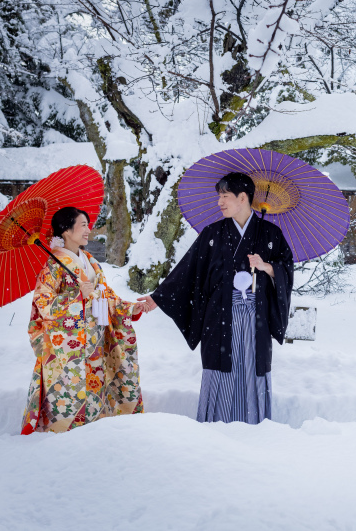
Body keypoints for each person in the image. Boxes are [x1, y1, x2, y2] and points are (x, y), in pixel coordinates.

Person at [138, 172, 294, 424]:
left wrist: (266, 266)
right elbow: (187, 270)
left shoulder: (271, 234)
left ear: (243, 198)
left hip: (257, 319)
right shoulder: (212, 233)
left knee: (252, 368)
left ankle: (255, 426)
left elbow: (286, 269)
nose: (219, 202)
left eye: (225, 196)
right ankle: (216, 426)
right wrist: (158, 298)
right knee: (222, 369)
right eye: (218, 197)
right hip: (220, 318)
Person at [20, 207, 147, 434]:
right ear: (66, 231)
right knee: (69, 394)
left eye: (88, 225)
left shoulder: (89, 260)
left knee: (95, 390)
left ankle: (94, 438)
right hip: (67, 348)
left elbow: (106, 296)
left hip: (94, 340)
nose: (89, 230)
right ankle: (63, 442)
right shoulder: (52, 266)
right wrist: (76, 297)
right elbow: (43, 304)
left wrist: (130, 307)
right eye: (83, 225)